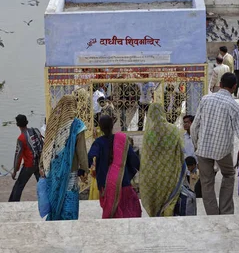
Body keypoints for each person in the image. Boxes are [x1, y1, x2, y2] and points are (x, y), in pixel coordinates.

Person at [191, 72, 239, 215]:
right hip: (222, 150)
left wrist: (196, 144)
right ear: (234, 87)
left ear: (220, 84)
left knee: (206, 181)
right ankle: (226, 210)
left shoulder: (205, 99)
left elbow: (194, 126)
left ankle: (212, 213)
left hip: (203, 148)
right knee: (228, 175)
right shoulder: (234, 107)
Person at [40, 89, 89, 221]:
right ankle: (68, 219)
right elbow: (81, 150)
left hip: (53, 169)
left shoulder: (53, 123)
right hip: (70, 169)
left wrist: (42, 165)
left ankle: (55, 217)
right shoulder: (77, 125)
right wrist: (85, 168)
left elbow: (46, 147)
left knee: (55, 193)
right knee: (69, 194)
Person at [88, 115, 141, 218]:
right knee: (127, 212)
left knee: (110, 214)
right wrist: (141, 169)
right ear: (112, 125)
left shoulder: (98, 143)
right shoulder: (122, 140)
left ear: (101, 127)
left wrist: (85, 169)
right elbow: (133, 159)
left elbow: (90, 156)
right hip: (123, 182)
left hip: (106, 185)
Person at [140, 103, 185, 216]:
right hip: (170, 172)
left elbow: (146, 155)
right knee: (170, 199)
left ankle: (157, 219)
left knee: (156, 200)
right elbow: (181, 150)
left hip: (154, 174)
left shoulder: (149, 133)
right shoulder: (173, 130)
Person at [9, 115, 43, 202]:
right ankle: (47, 201)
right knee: (42, 185)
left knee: (19, 185)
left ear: (18, 125)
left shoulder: (21, 138)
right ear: (26, 122)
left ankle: (13, 203)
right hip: (39, 162)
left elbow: (18, 156)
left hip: (29, 165)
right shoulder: (35, 130)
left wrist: (15, 171)